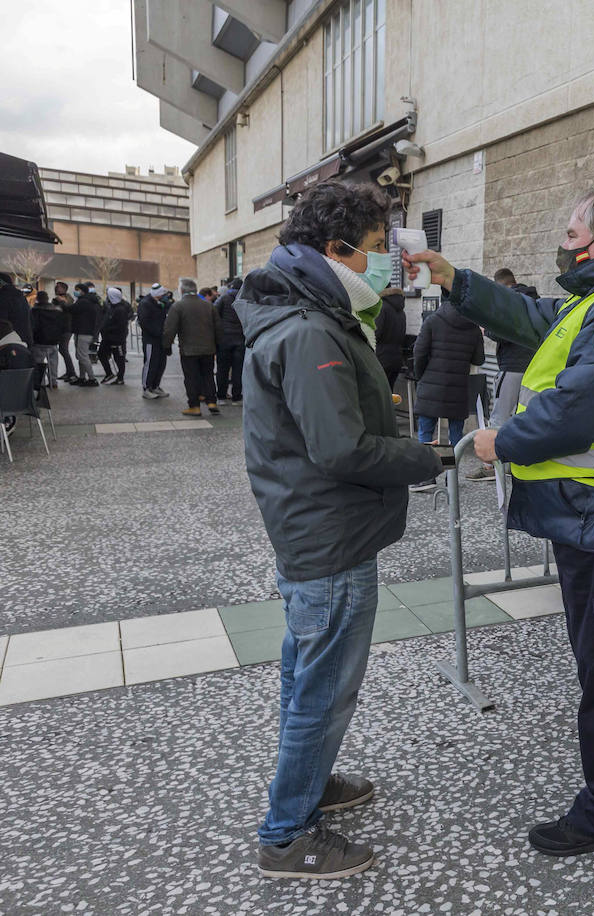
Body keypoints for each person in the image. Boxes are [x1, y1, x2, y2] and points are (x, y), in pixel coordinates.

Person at [406, 185, 594, 857]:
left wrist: (499, 441)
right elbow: (535, 320)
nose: (563, 242)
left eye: (571, 231)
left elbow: (576, 414)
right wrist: (456, 281)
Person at [237, 179, 441, 880]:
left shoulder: (308, 310)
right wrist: (429, 455)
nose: (386, 262)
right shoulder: (310, 329)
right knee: (324, 689)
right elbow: (342, 449)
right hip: (329, 539)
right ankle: (287, 834)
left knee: (307, 675)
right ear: (336, 249)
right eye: (379, 249)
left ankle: (308, 781)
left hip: (317, 530)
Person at [468, 268, 539, 481]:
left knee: (499, 416)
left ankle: (490, 468)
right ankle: (515, 464)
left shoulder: (511, 300)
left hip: (512, 366)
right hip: (532, 367)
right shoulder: (533, 300)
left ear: (501, 285)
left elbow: (504, 330)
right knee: (522, 417)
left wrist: (486, 329)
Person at [410, 286, 484, 461]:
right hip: (458, 388)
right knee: (456, 435)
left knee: (426, 433)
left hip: (430, 386)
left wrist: (420, 376)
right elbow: (479, 359)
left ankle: (426, 477)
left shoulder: (432, 321)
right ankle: (451, 479)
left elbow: (418, 353)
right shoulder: (472, 325)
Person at [163, 278, 220, 416]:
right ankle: (212, 401)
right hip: (208, 348)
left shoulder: (178, 306)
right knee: (208, 375)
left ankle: (194, 406)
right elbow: (218, 328)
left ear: (182, 290)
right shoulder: (209, 305)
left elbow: (170, 329)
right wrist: (217, 346)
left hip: (189, 350)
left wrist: (166, 345)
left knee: (191, 377)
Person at [214, 277, 246, 403]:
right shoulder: (244, 300)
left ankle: (221, 396)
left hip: (224, 339)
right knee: (238, 370)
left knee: (222, 369)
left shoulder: (223, 298)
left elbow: (215, 314)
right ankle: (236, 396)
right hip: (240, 339)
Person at [0, 318, 35, 433]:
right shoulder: (23, 349)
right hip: (28, 398)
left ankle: (7, 421)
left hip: (9, 402)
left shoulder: (5, 352)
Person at [137, 285, 172, 398]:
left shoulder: (160, 303)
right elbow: (144, 322)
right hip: (151, 339)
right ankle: (147, 388)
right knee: (151, 363)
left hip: (161, 339)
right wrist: (157, 332)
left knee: (161, 363)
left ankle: (155, 386)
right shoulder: (145, 303)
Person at [68, 282, 102, 387]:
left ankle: (92, 378)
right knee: (80, 356)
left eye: (77, 290)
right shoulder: (90, 301)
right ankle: (82, 377)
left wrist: (63, 303)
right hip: (83, 331)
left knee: (82, 356)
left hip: (84, 331)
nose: (76, 292)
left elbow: (71, 309)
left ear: (82, 291)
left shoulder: (83, 302)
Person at [373, 287, 407, 391]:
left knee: (378, 394)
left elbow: (375, 333)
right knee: (389, 392)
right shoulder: (401, 312)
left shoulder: (381, 307)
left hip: (381, 357)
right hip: (396, 357)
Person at [98, 287, 132, 385]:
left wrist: (108, 329)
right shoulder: (111, 307)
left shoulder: (120, 309)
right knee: (101, 354)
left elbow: (120, 325)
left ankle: (120, 377)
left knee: (119, 358)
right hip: (107, 338)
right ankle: (109, 373)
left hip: (116, 339)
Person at [30, 292, 65, 389]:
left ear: (37, 299)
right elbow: (61, 326)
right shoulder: (57, 311)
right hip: (53, 342)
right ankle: (53, 382)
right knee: (53, 362)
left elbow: (33, 326)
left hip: (39, 341)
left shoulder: (34, 311)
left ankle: (40, 382)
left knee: (38, 362)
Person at [52, 282, 77, 381]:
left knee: (63, 349)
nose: (57, 289)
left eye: (59, 287)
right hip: (59, 327)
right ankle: (69, 372)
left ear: (64, 289)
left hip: (66, 327)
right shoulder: (55, 300)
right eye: (56, 287)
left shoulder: (68, 299)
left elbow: (68, 309)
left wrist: (62, 301)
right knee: (63, 350)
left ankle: (71, 372)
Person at [0, 273, 33, 346]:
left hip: (7, 341)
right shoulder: (21, 296)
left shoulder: (3, 298)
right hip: (24, 339)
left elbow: (2, 321)